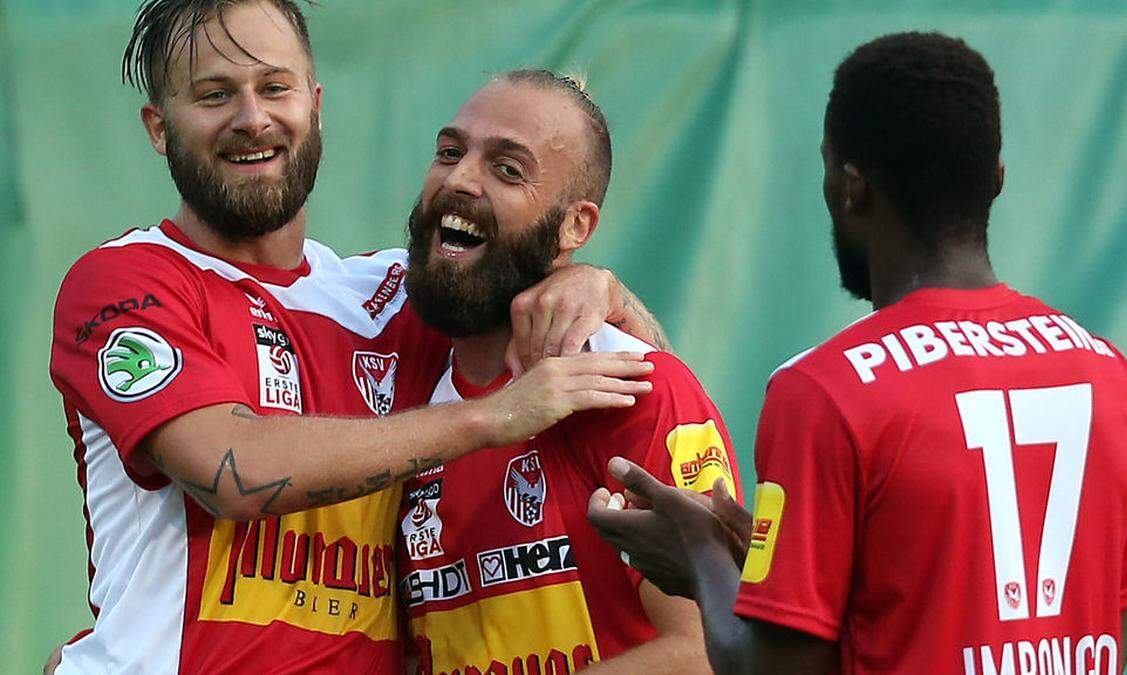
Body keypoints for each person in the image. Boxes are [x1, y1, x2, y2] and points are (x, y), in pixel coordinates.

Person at [48, 1, 670, 672]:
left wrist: (602, 287)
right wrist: (493, 416)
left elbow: (643, 362)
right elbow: (233, 474)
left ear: (314, 104)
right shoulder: (124, 283)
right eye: (213, 94)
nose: (252, 117)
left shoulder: (404, 298)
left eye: (274, 87)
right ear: (159, 127)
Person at [589, 32, 1127, 675]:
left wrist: (699, 559)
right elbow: (1105, 629)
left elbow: (773, 671)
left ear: (850, 187)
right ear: (994, 180)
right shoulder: (1108, 375)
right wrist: (775, 566)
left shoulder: (826, 390)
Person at [396, 70, 740, 674]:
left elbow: (710, 651)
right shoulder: (397, 386)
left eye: (507, 169)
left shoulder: (633, 388)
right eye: (450, 152)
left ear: (575, 227)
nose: (457, 179)